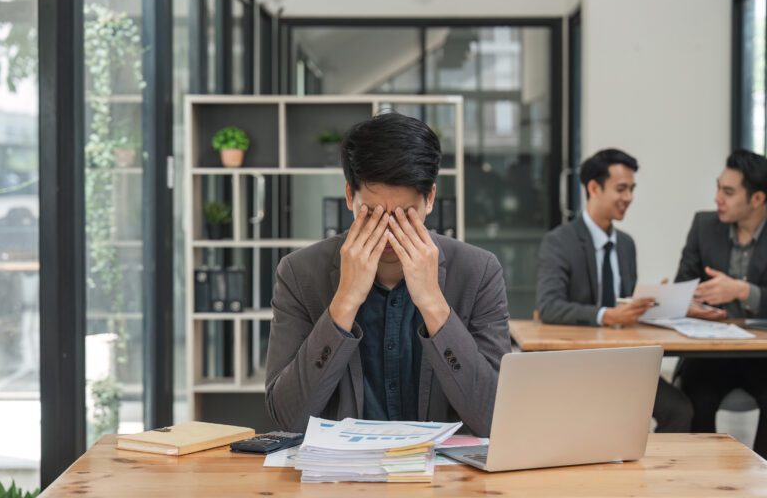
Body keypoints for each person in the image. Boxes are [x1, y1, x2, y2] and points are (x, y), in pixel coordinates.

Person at [265, 112, 512, 436]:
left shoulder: (478, 272)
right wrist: (345, 301)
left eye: (405, 215)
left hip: (448, 482)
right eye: (373, 214)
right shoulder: (300, 273)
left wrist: (434, 305)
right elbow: (285, 418)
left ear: (430, 199)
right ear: (350, 197)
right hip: (339, 479)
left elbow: (496, 418)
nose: (389, 232)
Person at [536, 148, 693, 432]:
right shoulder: (559, 241)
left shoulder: (626, 245)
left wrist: (651, 302)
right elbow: (549, 306)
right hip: (578, 364)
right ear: (593, 188)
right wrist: (608, 315)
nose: (629, 197)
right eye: (621, 189)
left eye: (632, 189)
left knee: (680, 410)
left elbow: (624, 304)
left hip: (625, 361)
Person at [675, 149, 767, 457]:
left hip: (761, 356)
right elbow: (682, 287)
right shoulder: (704, 226)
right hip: (710, 353)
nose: (717, 198)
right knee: (695, 397)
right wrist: (692, 302)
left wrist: (743, 291)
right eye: (718, 188)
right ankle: (702, 481)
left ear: (757, 199)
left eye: (728, 192)